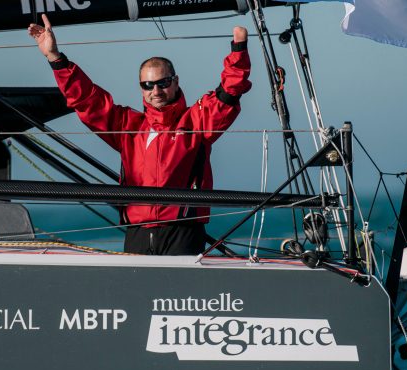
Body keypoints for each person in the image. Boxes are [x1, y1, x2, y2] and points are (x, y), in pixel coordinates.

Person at [29, 14, 251, 256]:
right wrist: (54, 57)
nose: (155, 90)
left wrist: (238, 50)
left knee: (178, 294)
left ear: (175, 82)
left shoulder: (196, 121)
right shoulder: (128, 126)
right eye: (148, 85)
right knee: (135, 294)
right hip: (137, 231)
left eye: (163, 82)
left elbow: (229, 92)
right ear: (141, 87)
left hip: (183, 231)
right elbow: (87, 101)